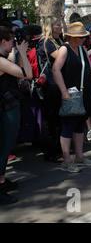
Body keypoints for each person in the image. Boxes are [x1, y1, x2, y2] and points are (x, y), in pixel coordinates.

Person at [52, 22, 91, 173]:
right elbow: (55, 70)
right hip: (71, 93)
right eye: (79, 37)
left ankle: (79, 156)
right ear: (72, 37)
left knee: (79, 125)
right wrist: (64, 92)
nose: (82, 39)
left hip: (83, 92)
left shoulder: (82, 49)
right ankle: (67, 160)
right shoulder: (64, 49)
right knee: (68, 126)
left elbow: (90, 68)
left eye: (83, 37)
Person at [0, 23, 32, 205]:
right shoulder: (1, 60)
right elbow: (27, 74)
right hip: (5, 108)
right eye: (11, 40)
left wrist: (19, 52)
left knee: (5, 147)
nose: (13, 43)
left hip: (8, 107)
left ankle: (3, 182)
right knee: (3, 148)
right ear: (3, 41)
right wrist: (22, 52)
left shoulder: (5, 57)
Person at [37, 16, 65, 162]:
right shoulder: (46, 42)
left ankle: (59, 149)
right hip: (50, 85)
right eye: (57, 25)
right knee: (52, 119)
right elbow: (61, 56)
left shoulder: (58, 40)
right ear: (50, 27)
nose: (60, 26)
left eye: (60, 24)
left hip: (57, 84)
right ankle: (51, 152)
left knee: (58, 118)